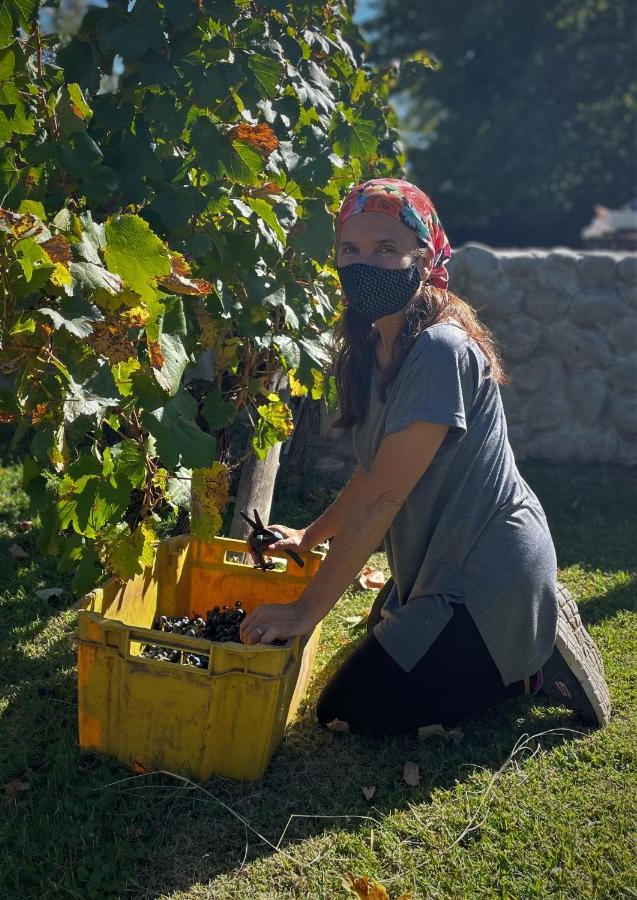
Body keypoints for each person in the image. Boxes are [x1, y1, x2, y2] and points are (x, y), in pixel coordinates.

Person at [239, 178, 611, 736]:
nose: (364, 265)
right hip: (445, 564)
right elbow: (373, 472)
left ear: (426, 257)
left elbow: (385, 498)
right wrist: (310, 538)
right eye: (351, 250)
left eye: (386, 249)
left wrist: (304, 610)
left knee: (349, 710)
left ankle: (531, 666)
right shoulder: (375, 342)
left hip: (489, 573)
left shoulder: (440, 349)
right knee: (377, 665)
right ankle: (511, 631)